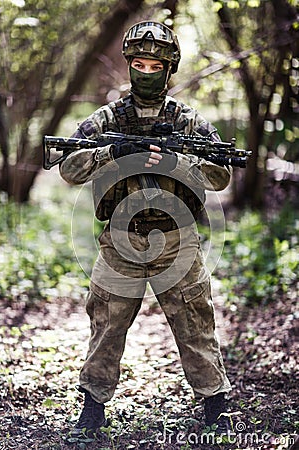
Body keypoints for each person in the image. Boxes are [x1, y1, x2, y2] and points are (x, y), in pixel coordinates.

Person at [59, 21, 232, 441]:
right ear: (129, 65)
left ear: (169, 67)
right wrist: (112, 151)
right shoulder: (107, 119)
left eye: (155, 63)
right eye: (138, 62)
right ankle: (92, 409)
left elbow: (221, 174)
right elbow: (67, 168)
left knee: (195, 324)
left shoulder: (187, 120)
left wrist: (179, 163)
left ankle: (215, 405)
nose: (146, 70)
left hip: (178, 240)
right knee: (106, 325)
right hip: (121, 239)